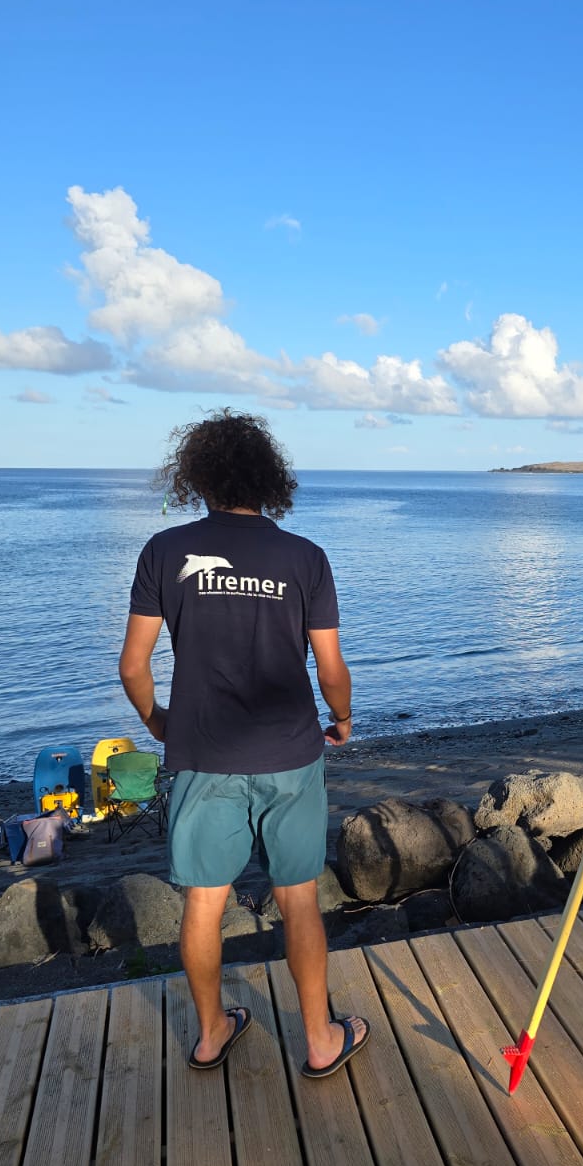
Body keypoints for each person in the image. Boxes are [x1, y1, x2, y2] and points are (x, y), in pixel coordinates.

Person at [117, 410, 370, 1077]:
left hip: (203, 753)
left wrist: (156, 722)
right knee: (297, 898)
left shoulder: (164, 552)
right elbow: (331, 667)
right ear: (270, 477)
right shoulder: (305, 558)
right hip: (290, 751)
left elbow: (133, 667)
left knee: (203, 902)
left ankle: (209, 1035)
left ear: (197, 474)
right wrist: (341, 718)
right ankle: (320, 1041)